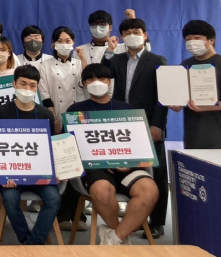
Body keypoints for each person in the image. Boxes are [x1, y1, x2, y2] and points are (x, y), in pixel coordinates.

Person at [66, 63, 159, 246]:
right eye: (90, 79)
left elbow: (141, 145)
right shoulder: (75, 111)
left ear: (109, 81)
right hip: (95, 169)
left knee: (149, 190)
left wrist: (128, 164)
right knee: (101, 191)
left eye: (101, 78)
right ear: (84, 84)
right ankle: (120, 236)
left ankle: (114, 238)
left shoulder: (127, 109)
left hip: (128, 167)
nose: (96, 82)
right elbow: (71, 148)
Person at [108, 18, 168, 239]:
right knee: (125, 170)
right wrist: (109, 52)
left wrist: (157, 124)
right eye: (127, 32)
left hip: (149, 125)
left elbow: (163, 96)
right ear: (122, 37)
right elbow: (102, 76)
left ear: (145, 35)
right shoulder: (117, 59)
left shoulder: (157, 60)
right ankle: (134, 216)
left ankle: (157, 222)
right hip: (122, 125)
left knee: (157, 174)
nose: (132, 35)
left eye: (136, 31)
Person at [0, 65, 61, 245]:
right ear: (14, 84)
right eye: (23, 83)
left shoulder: (45, 114)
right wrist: (3, 175)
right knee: (9, 198)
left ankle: (32, 245)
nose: (27, 89)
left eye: (32, 85)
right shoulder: (1, 112)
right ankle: (28, 242)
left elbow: (52, 147)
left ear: (37, 87)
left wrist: (59, 170)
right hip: (12, 174)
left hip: (40, 174)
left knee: (53, 198)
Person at [171, 20, 221, 150]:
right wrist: (176, 104)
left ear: (211, 40)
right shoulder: (183, 66)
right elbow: (180, 98)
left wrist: (209, 106)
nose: (192, 42)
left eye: (197, 38)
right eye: (188, 39)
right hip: (193, 141)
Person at [38, 27, 85, 134]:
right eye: (60, 41)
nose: (64, 44)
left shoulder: (79, 63)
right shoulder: (45, 65)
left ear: (73, 43)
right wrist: (54, 119)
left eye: (67, 41)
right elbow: (44, 94)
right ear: (53, 44)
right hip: (56, 114)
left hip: (78, 115)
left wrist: (83, 59)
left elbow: (86, 83)